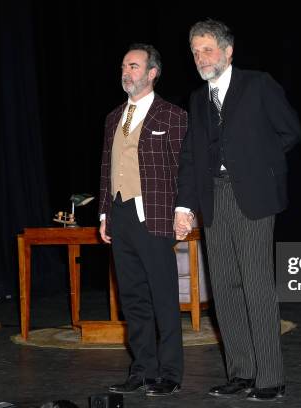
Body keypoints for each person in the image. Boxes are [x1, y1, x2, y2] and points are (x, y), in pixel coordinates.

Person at [174, 19, 301, 401]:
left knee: (256, 285)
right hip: (213, 199)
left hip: (253, 198)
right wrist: (184, 205)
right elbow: (190, 156)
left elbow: (290, 131)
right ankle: (242, 373)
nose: (200, 57)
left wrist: (257, 167)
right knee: (225, 289)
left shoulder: (258, 84)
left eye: (207, 49)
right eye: (195, 51)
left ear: (228, 52)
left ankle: (270, 378)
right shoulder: (198, 99)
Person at [98, 43, 186, 397]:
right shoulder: (113, 117)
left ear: (152, 73)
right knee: (132, 297)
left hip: (154, 215)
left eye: (133, 66)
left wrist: (185, 211)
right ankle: (142, 369)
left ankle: (170, 372)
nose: (126, 72)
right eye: (124, 66)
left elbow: (185, 169)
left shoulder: (171, 115)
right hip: (120, 215)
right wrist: (104, 213)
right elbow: (107, 167)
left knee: (163, 296)